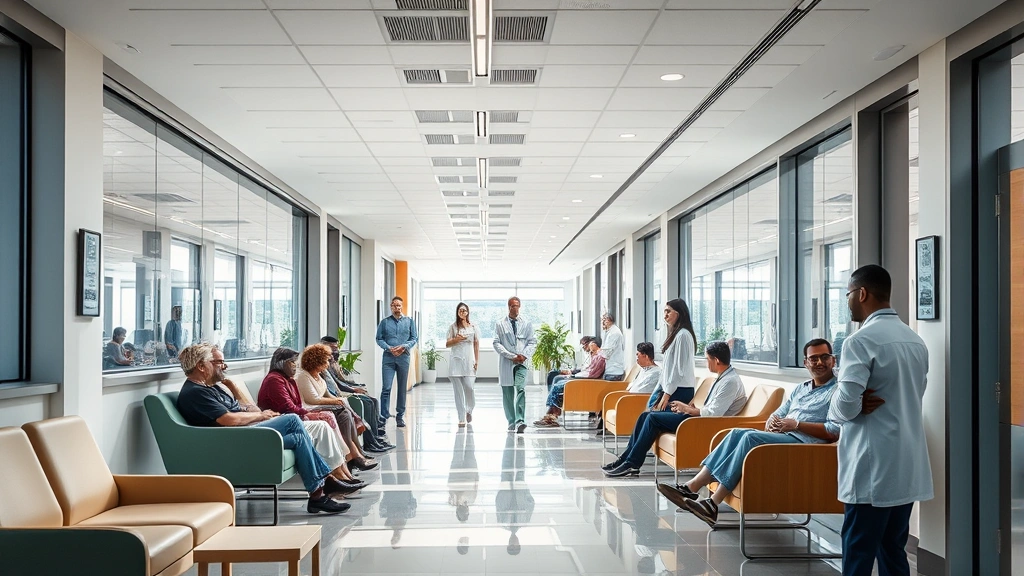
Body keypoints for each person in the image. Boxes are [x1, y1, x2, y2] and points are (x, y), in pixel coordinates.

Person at [665, 339, 841, 526]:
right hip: (785, 437)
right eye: (814, 359)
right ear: (806, 363)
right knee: (735, 433)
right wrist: (773, 421)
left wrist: (796, 424)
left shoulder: (838, 391)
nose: (820, 363)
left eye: (824, 357)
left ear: (834, 360)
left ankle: (712, 503)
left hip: (805, 447)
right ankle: (692, 487)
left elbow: (833, 431)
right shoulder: (801, 388)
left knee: (750, 437)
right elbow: (779, 412)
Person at [827, 264, 931, 576]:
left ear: (861, 293)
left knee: (858, 552)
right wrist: (857, 402)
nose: (847, 301)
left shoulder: (860, 341)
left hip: (871, 465)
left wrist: (845, 405)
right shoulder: (915, 340)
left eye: (847, 294)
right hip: (906, 463)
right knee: (892, 551)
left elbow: (844, 407)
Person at [174, 343, 351, 514]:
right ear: (201, 366)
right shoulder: (195, 392)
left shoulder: (213, 388)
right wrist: (260, 416)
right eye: (218, 363)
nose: (224, 366)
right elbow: (229, 419)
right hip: (233, 439)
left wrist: (238, 392)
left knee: (298, 438)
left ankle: (317, 495)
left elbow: (250, 408)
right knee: (291, 420)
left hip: (244, 432)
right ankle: (326, 481)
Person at [604, 339, 746, 477]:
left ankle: (632, 463)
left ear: (716, 360)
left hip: (707, 425)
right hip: (700, 419)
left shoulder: (730, 382)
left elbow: (714, 414)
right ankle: (625, 458)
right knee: (645, 416)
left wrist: (688, 410)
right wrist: (686, 407)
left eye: (707, 359)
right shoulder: (722, 378)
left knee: (653, 418)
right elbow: (711, 407)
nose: (705, 362)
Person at [257, 347, 369, 491]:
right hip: (286, 423)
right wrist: (307, 414)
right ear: (282, 363)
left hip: (294, 418)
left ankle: (341, 472)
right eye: (292, 362)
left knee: (325, 426)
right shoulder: (275, 380)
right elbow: (289, 407)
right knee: (325, 421)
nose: (295, 366)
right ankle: (334, 475)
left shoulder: (287, 379)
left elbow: (296, 405)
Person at [294, 344, 379, 471]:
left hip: (319, 405)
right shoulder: (303, 376)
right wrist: (337, 401)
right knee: (344, 412)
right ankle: (355, 454)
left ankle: (356, 454)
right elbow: (313, 399)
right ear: (316, 361)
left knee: (345, 412)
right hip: (310, 408)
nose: (328, 364)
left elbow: (327, 394)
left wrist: (340, 400)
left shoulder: (318, 375)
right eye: (326, 361)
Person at [319, 335, 393, 452]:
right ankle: (371, 442)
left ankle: (375, 437)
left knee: (372, 400)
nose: (335, 351)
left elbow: (339, 381)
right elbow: (336, 386)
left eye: (336, 348)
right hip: (337, 396)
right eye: (332, 348)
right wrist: (352, 390)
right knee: (367, 402)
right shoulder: (321, 366)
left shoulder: (330, 363)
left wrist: (354, 387)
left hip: (339, 393)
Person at [534, 337, 606, 427]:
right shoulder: (596, 356)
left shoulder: (600, 358)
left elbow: (591, 374)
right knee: (557, 381)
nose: (588, 350)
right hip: (582, 380)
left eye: (591, 348)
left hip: (584, 382)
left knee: (557, 386)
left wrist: (574, 376)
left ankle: (552, 416)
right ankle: (551, 415)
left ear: (594, 345)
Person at [493, 296, 536, 434]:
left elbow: (532, 341)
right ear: (508, 307)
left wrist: (523, 355)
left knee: (520, 388)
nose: (515, 308)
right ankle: (511, 421)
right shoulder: (500, 324)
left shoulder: (527, 323)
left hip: (522, 362)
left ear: (520, 306)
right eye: (512, 306)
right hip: (507, 361)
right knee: (507, 393)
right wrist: (511, 356)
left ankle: (520, 421)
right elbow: (496, 342)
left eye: (517, 305)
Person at [375, 296, 418, 428]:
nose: (397, 308)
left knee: (401, 388)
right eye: (394, 305)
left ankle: (400, 416)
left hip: (404, 357)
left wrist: (404, 346)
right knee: (386, 388)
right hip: (388, 358)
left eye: (399, 305)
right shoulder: (384, 322)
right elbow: (379, 339)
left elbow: (414, 337)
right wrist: (389, 348)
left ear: (402, 306)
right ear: (391, 306)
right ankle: (383, 415)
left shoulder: (409, 321)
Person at [496, 434, 534, 556]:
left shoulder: (502, 522)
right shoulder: (524, 522)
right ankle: (521, 440)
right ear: (518, 543)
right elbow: (531, 504)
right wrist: (525, 492)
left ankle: (510, 437)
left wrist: (502, 492)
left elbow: (498, 505)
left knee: (506, 463)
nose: (512, 544)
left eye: (510, 546)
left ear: (508, 543)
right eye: (515, 546)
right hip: (519, 489)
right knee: (520, 464)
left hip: (506, 488)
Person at [445, 302, 480, 427]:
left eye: (464, 310)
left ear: (468, 312)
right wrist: (456, 339)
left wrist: (477, 361)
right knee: (458, 392)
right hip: (456, 362)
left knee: (469, 388)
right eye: (460, 310)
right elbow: (447, 344)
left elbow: (476, 344)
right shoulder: (453, 327)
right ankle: (461, 417)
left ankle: (469, 409)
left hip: (469, 361)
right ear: (457, 312)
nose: (462, 312)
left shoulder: (473, 327)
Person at [600, 312, 626, 381]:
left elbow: (606, 353)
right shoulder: (610, 332)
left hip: (614, 370)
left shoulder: (614, 333)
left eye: (603, 320)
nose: (602, 323)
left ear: (608, 320)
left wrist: (598, 352)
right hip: (611, 369)